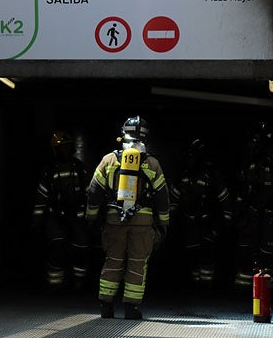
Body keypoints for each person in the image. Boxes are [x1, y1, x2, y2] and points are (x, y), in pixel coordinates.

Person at [86, 116, 170, 320]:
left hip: (115, 220)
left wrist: (91, 218)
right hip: (143, 223)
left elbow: (94, 191)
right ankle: (131, 309)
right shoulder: (152, 163)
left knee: (113, 260)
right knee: (137, 263)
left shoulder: (109, 160)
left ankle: (106, 305)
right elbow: (162, 196)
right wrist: (164, 224)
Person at [232, 122, 273, 294]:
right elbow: (242, 190)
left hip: (269, 218)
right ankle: (243, 292)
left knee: (267, 257)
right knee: (245, 255)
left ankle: (266, 295)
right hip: (251, 217)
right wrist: (238, 216)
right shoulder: (250, 163)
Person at [168, 138, 232, 289]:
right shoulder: (182, 177)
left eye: (191, 158)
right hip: (188, 223)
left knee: (207, 255)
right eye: (187, 158)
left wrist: (226, 221)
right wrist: (171, 223)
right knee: (191, 255)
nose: (188, 161)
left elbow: (225, 199)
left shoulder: (211, 176)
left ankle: (207, 286)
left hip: (208, 222)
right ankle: (194, 285)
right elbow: (173, 201)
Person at [31, 131, 90, 291]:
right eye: (62, 147)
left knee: (81, 250)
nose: (65, 150)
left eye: (68, 147)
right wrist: (36, 221)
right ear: (55, 150)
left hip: (78, 217)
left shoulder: (80, 168)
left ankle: (79, 283)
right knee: (57, 249)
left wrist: (92, 217)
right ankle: (55, 286)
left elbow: (90, 194)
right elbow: (41, 197)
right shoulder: (49, 171)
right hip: (55, 218)